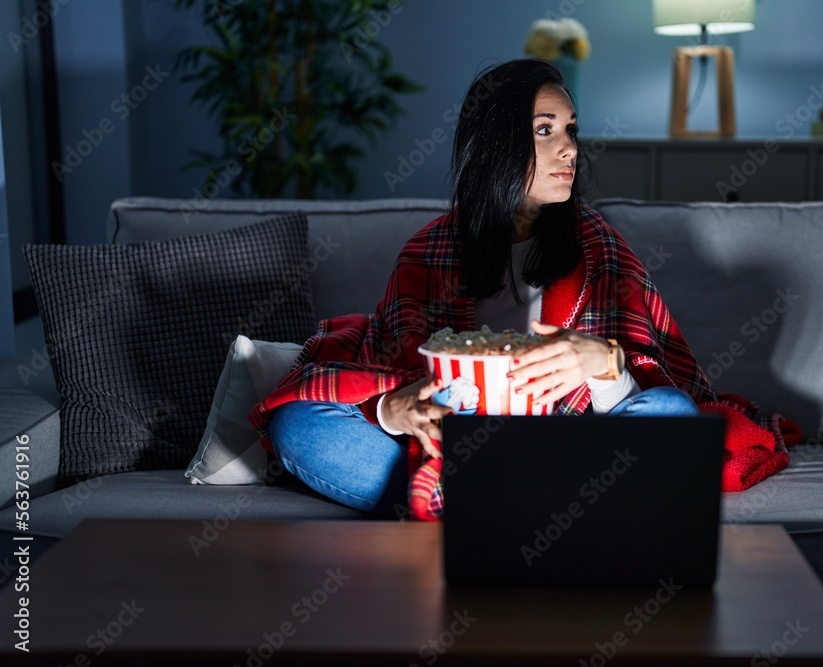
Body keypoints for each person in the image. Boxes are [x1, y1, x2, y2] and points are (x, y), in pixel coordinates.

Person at [251, 59, 794, 521]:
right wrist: (394, 412)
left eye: (571, 130)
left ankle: (490, 511)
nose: (570, 150)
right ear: (495, 146)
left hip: (568, 445)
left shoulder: (600, 248)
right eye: (544, 130)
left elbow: (654, 391)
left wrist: (606, 366)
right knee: (300, 423)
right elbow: (388, 369)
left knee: (672, 414)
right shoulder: (427, 253)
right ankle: (531, 512)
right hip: (454, 448)